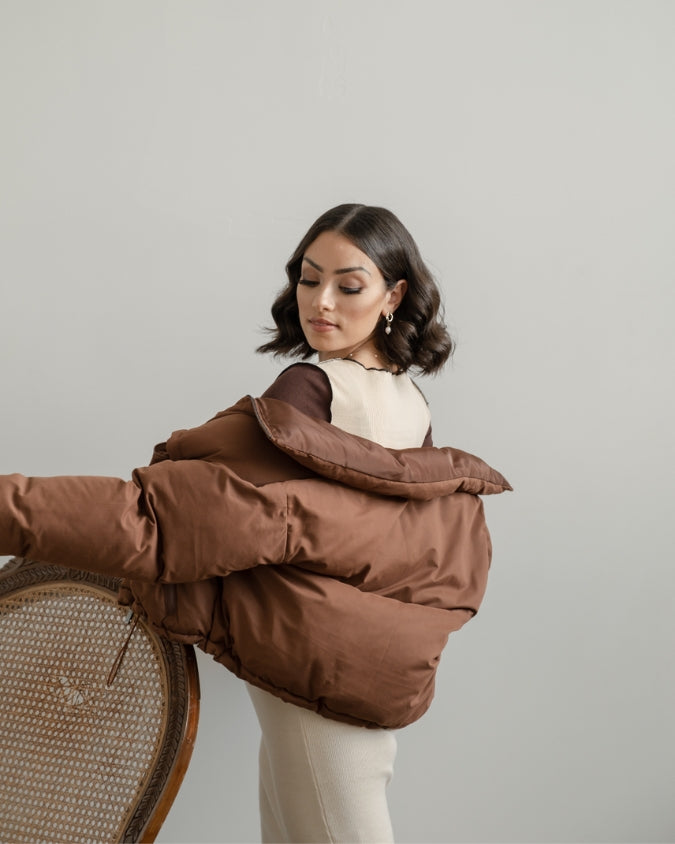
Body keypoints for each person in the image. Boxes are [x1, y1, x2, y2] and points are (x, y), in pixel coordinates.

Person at [0, 204, 510, 843]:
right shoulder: (412, 399)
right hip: (362, 674)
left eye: (348, 285)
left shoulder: (308, 388)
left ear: (394, 294)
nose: (320, 302)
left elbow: (177, 521)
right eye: (307, 278)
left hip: (310, 679)